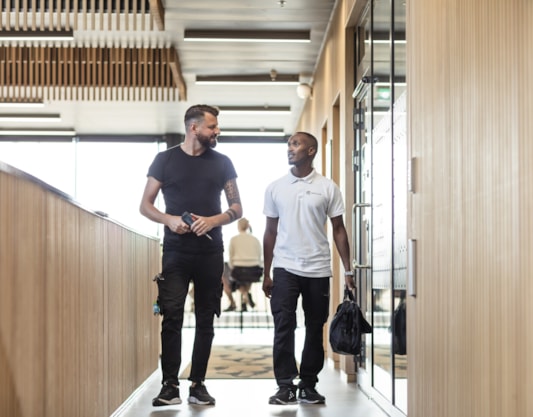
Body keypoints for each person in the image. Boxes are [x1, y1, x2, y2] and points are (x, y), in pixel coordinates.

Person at [139, 104, 242, 407]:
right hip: (176, 252)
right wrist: (169, 219)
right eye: (212, 127)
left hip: (210, 251)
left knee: (206, 318)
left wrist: (213, 220)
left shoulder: (223, 163)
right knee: (171, 316)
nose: (217, 131)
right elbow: (145, 205)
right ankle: (170, 385)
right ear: (194, 128)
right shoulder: (164, 160)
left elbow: (237, 208)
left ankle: (198, 384)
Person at [262, 131, 356, 405]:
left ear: (311, 150)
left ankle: (308, 385)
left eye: (296, 144)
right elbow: (270, 231)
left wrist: (348, 270)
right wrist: (267, 272)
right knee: (283, 325)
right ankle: (284, 386)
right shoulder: (276, 187)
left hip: (317, 268)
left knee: (316, 327)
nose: (290, 149)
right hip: (285, 267)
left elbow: (339, 229)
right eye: (289, 144)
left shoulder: (327, 187)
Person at [226, 217, 263, 312]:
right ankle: (245, 297)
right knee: (246, 277)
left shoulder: (234, 239)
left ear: (238, 227)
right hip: (254, 271)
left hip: (238, 271)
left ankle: (243, 296)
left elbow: (230, 257)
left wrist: (232, 268)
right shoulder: (255, 239)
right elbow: (259, 257)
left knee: (232, 277)